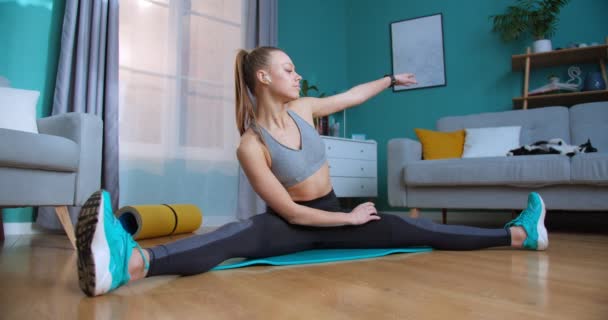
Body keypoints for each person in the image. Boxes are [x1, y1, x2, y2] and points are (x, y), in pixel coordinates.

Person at [75, 46, 548, 297]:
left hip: (334, 211)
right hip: (292, 225)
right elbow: (291, 214)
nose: (297, 75)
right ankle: (129, 263)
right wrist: (349, 220)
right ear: (263, 77)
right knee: (231, 238)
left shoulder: (304, 108)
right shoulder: (250, 145)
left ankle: (522, 236)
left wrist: (388, 79)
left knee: (415, 227)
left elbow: (351, 96)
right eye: (289, 68)